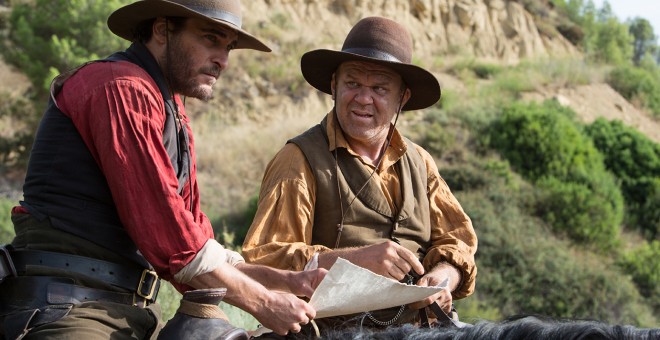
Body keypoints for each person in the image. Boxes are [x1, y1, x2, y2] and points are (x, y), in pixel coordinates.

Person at [0, 0, 325, 339]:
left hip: (126, 312)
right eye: (211, 39)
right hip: (67, 308)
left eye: (228, 47)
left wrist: (286, 282)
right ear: (161, 30)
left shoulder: (171, 110)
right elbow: (177, 246)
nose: (223, 61)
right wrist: (264, 303)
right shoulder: (121, 88)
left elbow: (198, 244)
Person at [242, 16, 478, 335]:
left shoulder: (420, 162)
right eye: (353, 83)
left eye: (380, 88)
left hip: (421, 331)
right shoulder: (298, 159)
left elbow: (458, 240)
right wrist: (355, 260)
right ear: (334, 86)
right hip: (327, 333)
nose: (364, 98)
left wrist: (443, 277)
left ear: (402, 98)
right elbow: (263, 261)